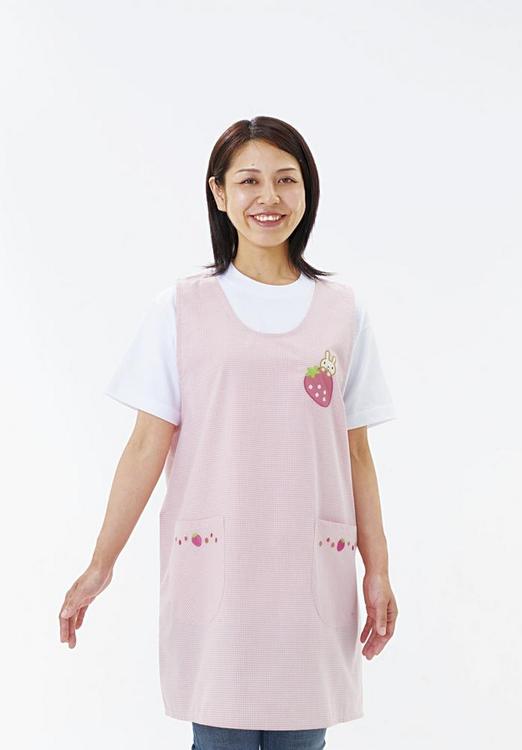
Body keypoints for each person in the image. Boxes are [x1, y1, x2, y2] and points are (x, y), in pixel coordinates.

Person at [59, 116, 399, 749]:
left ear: (307, 190)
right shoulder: (181, 308)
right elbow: (145, 446)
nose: (269, 197)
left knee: (303, 740)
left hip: (310, 575)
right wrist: (100, 565)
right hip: (218, 569)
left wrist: (377, 569)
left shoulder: (342, 311)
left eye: (286, 180)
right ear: (219, 193)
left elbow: (356, 453)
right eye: (249, 181)